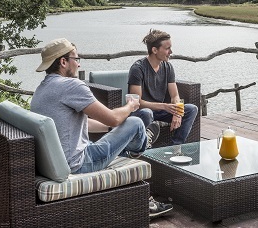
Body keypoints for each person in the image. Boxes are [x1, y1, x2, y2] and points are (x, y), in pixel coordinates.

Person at [30, 38, 173, 219]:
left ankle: (132, 148)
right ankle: (143, 143)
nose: (79, 64)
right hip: (79, 162)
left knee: (125, 132)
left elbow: (83, 123)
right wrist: (130, 106)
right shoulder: (71, 86)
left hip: (57, 160)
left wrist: (117, 133)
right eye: (76, 58)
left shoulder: (41, 90)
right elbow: (113, 119)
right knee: (136, 122)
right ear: (63, 62)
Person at [128, 29, 198, 145]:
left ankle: (175, 148)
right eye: (167, 48)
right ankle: (140, 145)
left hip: (161, 111)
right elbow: (137, 102)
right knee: (147, 113)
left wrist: (177, 113)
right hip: (142, 112)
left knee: (191, 109)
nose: (171, 51)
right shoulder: (138, 69)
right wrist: (164, 106)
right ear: (154, 50)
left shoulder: (168, 67)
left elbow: (175, 95)